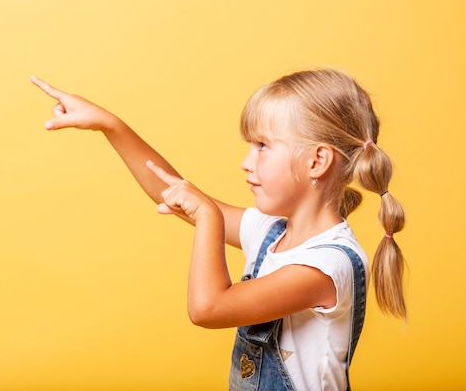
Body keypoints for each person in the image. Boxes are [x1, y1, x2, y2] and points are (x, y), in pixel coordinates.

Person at [31, 68, 406, 391]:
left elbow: (208, 308)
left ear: (317, 161)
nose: (246, 162)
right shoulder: (271, 232)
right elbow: (172, 191)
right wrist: (109, 125)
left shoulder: (326, 266)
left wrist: (207, 217)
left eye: (262, 146)